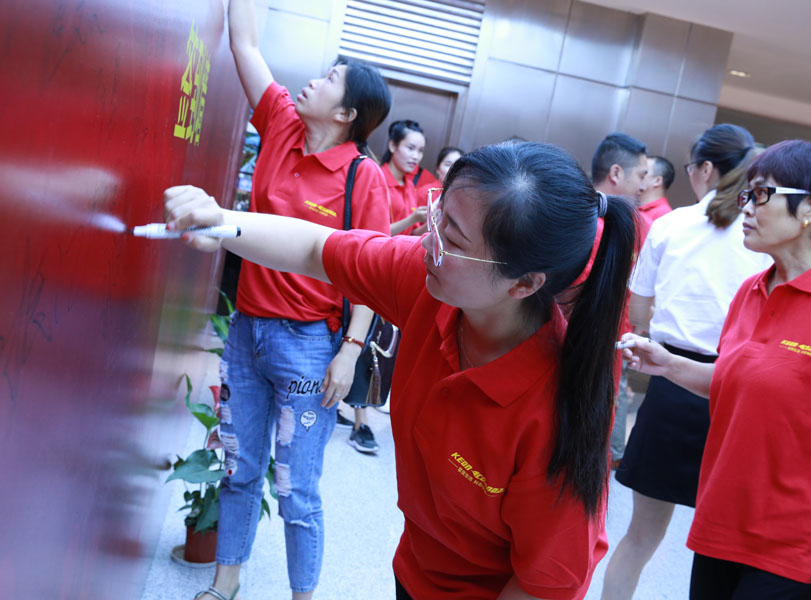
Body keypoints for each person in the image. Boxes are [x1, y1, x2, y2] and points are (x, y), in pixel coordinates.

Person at [163, 140, 639, 599]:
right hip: (416, 568)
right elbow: (316, 249)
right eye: (439, 217)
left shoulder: (554, 411)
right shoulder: (430, 280)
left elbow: (546, 585)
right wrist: (221, 222)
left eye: (452, 239)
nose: (428, 241)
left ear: (525, 284)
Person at [620, 140, 811, 599]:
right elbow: (737, 383)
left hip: (794, 540)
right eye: (747, 193)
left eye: (763, 195)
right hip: (721, 523)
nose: (746, 207)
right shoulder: (751, 290)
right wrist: (669, 365)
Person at [193, 2, 392, 599]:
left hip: (308, 346)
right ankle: (225, 584)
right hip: (247, 332)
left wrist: (349, 351)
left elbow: (372, 274)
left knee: (296, 489)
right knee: (239, 468)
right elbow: (244, 44)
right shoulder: (281, 122)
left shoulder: (362, 176)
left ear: (347, 114)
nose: (313, 80)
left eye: (329, 79)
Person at [602, 124, 771, 600]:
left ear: (706, 169)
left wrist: (661, 330)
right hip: (736, 387)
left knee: (639, 538)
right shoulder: (762, 231)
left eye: (692, 167)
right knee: (725, 547)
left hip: (671, 383)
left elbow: (638, 310)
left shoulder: (673, 225)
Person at [590, 132, 649, 469]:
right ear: (616, 173)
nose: (644, 185)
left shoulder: (639, 225)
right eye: (641, 175)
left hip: (610, 347)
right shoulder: (575, 214)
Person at [381, 120, 429, 236]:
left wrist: (431, 222)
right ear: (393, 146)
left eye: (420, 151)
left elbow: (412, 234)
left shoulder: (410, 186)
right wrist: (412, 219)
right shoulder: (378, 179)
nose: (416, 156)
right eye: (410, 148)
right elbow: (373, 231)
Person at [636, 155, 674, 222]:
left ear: (657, 181)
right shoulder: (634, 207)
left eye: (644, 173)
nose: (636, 175)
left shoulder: (664, 215)